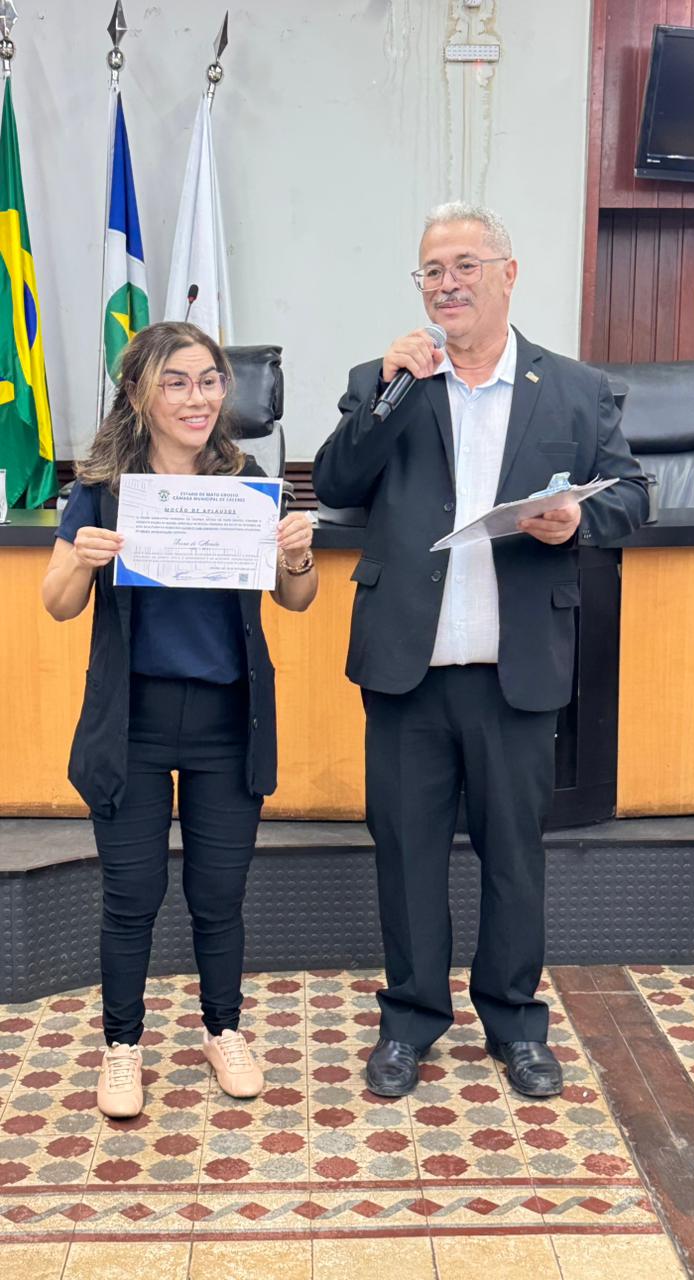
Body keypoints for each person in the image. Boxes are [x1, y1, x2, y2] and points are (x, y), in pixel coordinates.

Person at [313, 202, 647, 1100]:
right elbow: (337, 481)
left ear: (508, 273)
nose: (447, 284)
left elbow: (632, 494)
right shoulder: (387, 380)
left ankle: (516, 1025)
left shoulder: (573, 388)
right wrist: (387, 391)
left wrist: (577, 520)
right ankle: (409, 1022)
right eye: (431, 270)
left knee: (514, 858)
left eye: (464, 265)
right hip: (407, 668)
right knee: (406, 855)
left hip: (516, 668)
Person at [42, 321, 317, 1119]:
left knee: (218, 893)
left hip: (228, 720)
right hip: (132, 719)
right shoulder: (103, 487)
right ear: (138, 393)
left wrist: (297, 554)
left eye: (210, 381)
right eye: (177, 382)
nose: (198, 398)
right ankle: (122, 1045)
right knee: (131, 894)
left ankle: (223, 1029)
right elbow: (57, 604)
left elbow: (296, 598)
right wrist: (81, 559)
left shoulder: (246, 479)